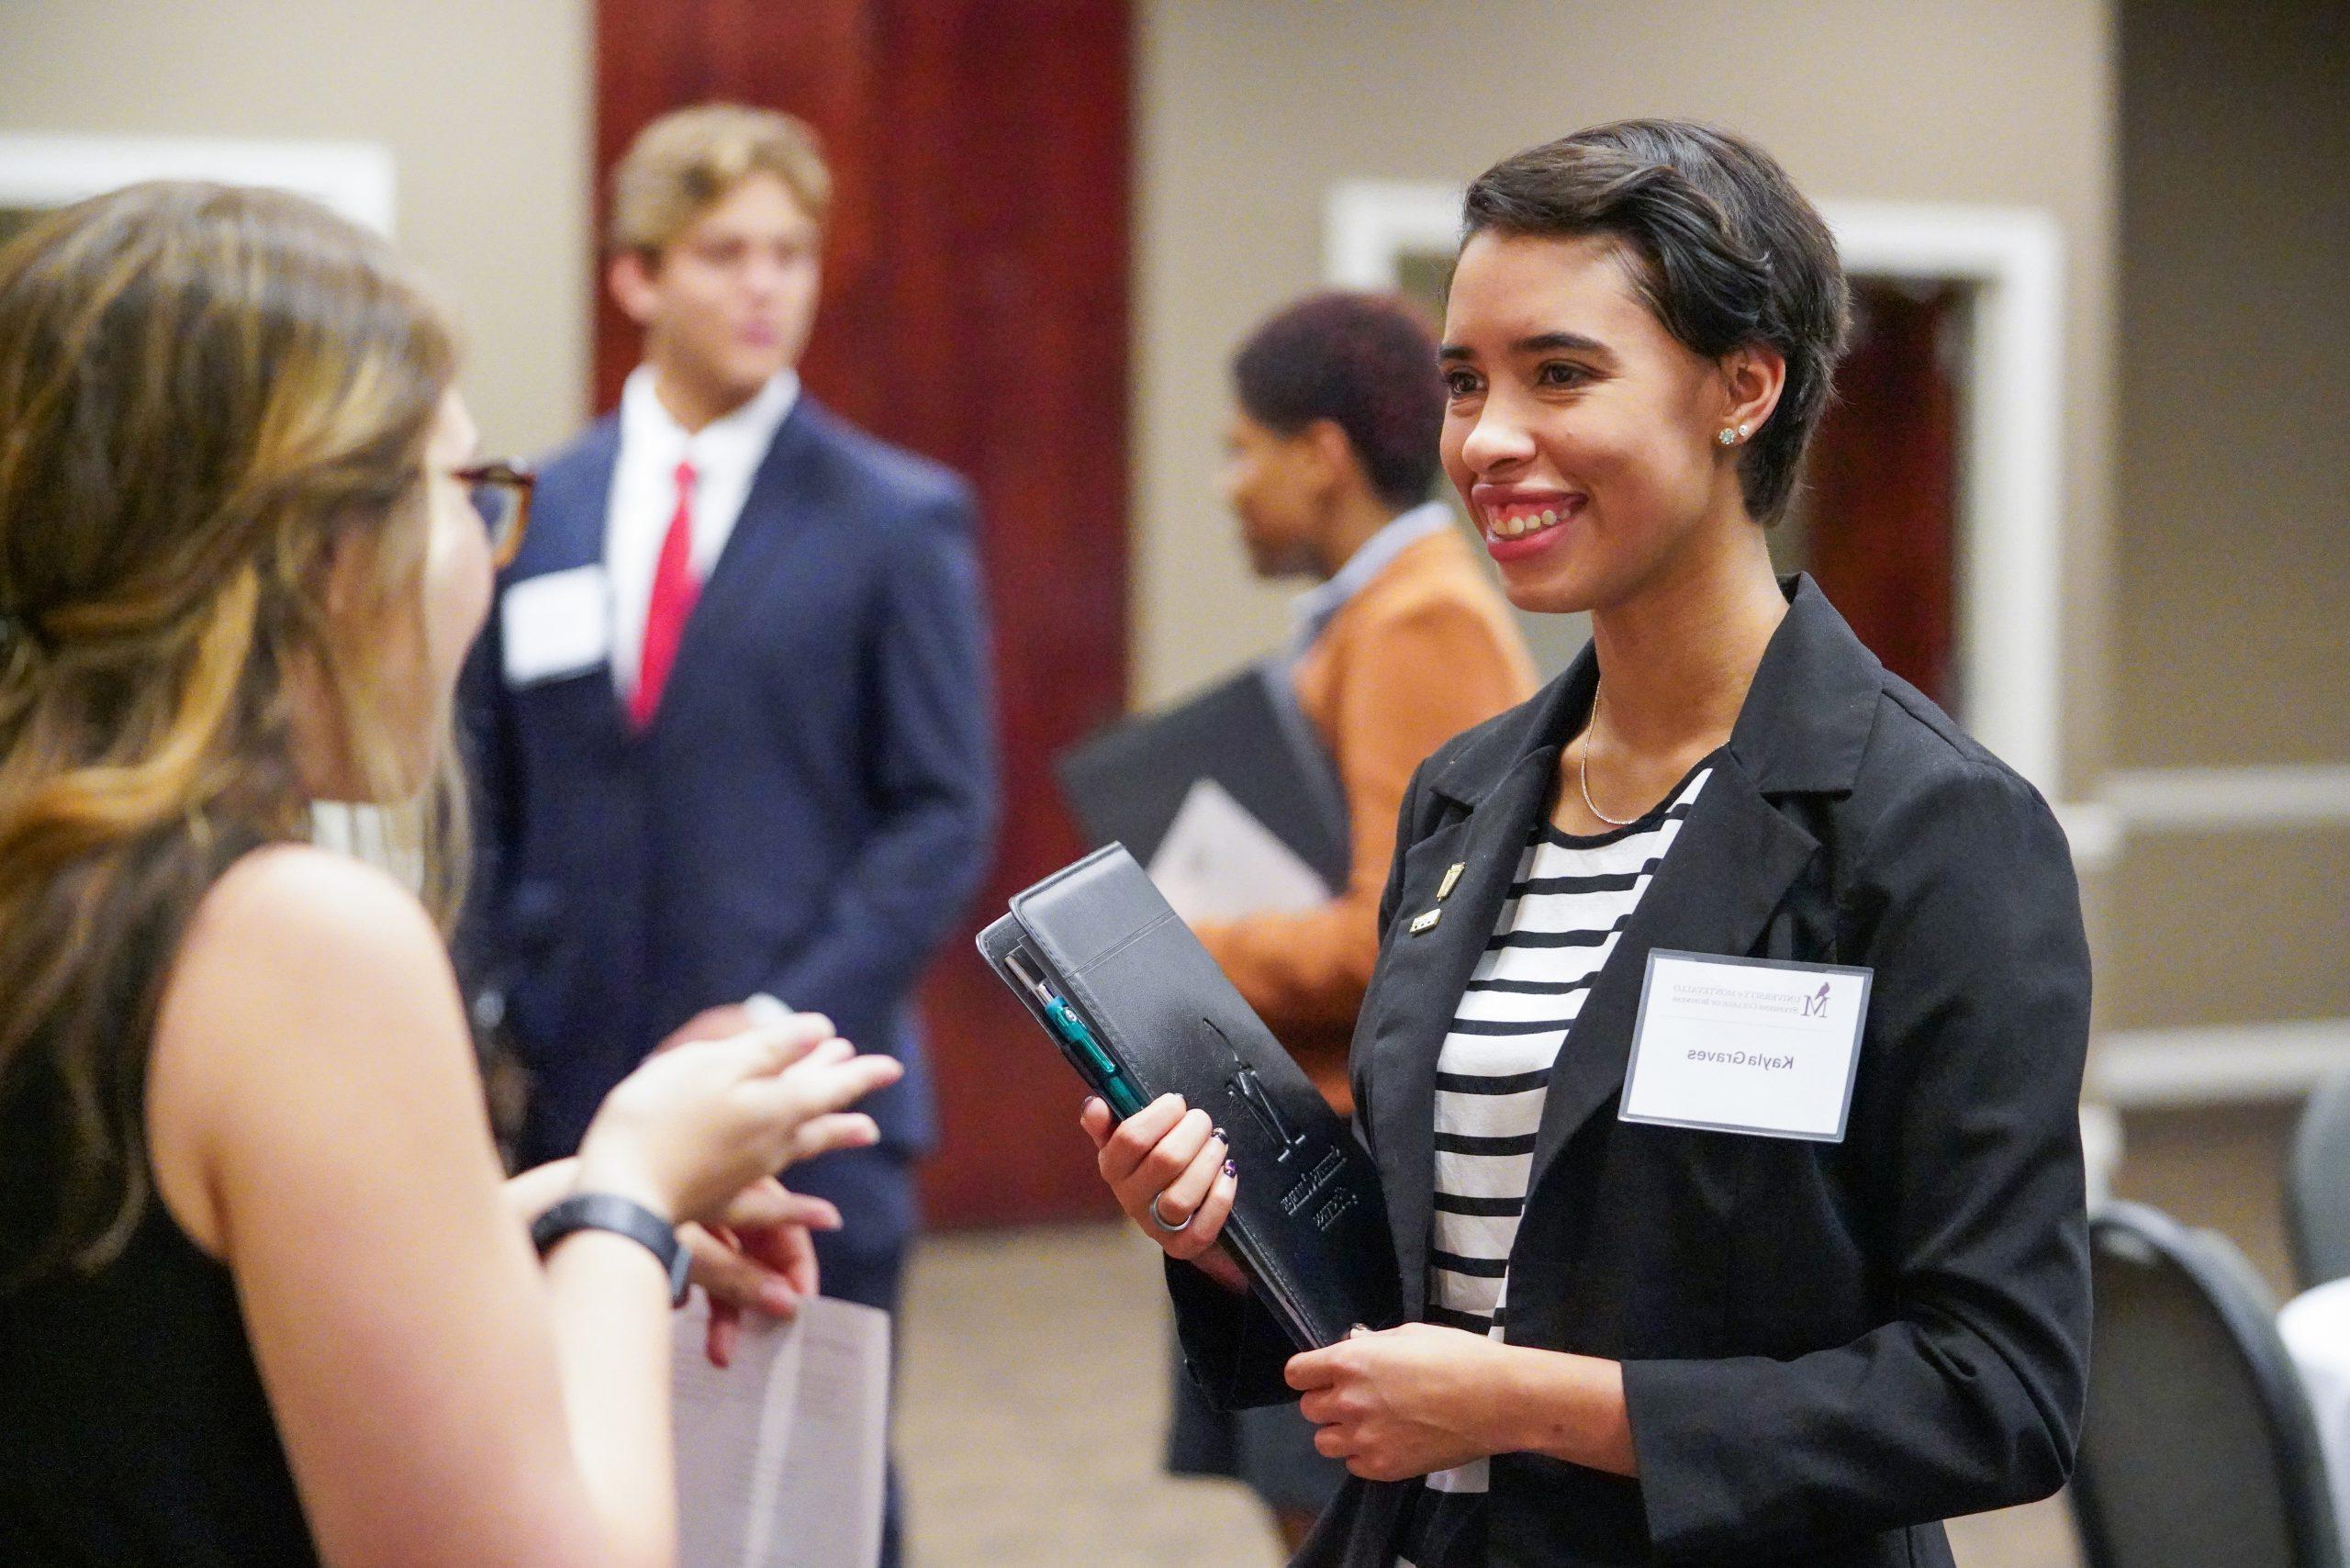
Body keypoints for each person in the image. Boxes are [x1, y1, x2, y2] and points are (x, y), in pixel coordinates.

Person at [1086, 119, 2093, 1568]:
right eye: (1462, 383)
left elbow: (2000, 1388)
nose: (1488, 441)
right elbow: (1434, 1263)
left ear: (1743, 389)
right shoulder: (1466, 794)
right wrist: (1231, 1246)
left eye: (1560, 374)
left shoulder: (1935, 831)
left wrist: (1541, 1406)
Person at [0, 180, 902, 1568]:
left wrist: (495, 1229)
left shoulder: (55, 868)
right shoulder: (292, 939)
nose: (482, 557)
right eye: (465, 492)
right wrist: (629, 1195)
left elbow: (125, 1327)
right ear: (319, 541)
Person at [461, 104, 999, 1566]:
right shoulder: (535, 509)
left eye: (790, 254)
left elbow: (945, 810)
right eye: (724, 254)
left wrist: (768, 1019)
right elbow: (488, 798)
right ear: (637, 278)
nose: (765, 285)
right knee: (577, 1485)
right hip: (575, 1101)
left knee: (806, 1501)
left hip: (807, 1101)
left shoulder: (898, 515)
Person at [1169, 292, 1537, 1552]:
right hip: (1304, 1137)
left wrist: (1178, 958)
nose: (1228, 485)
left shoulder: (1419, 618)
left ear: (1320, 455)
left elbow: (1406, 942)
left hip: (1340, 1161)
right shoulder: (1369, 614)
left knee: (1344, 1524)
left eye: (1240, 448)